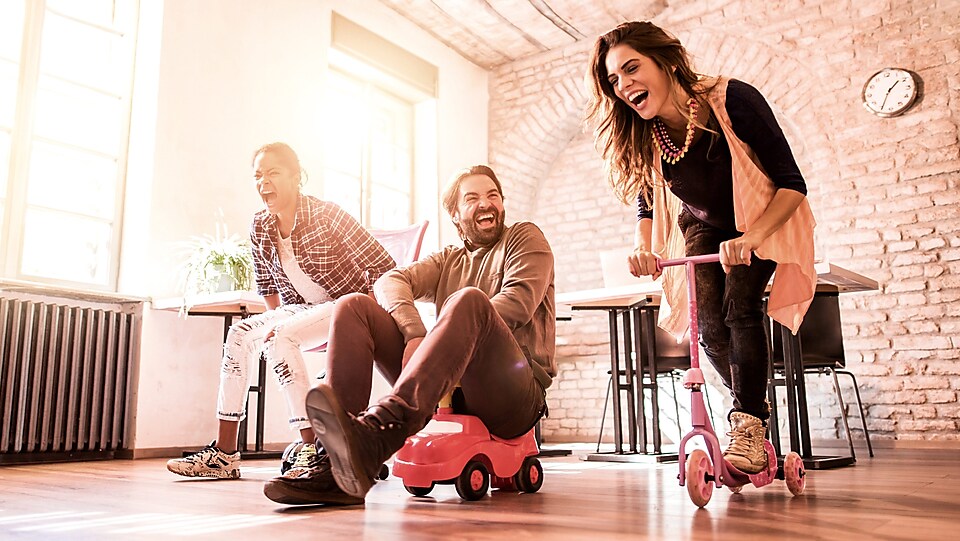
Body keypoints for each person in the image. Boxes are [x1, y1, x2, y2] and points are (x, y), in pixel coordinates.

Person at [586, 21, 816, 473]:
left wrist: (750, 238)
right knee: (708, 325)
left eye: (632, 68)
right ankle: (753, 414)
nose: (624, 84)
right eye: (614, 80)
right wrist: (643, 245)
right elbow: (646, 197)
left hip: (760, 214)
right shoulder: (647, 133)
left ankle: (747, 423)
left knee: (740, 306)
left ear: (666, 61)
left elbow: (793, 185)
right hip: (703, 224)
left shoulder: (734, 99)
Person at [262, 165, 555, 505]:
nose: (485, 204)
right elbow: (389, 280)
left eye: (493, 196)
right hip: (449, 391)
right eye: (472, 198)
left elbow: (517, 304)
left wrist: (441, 333)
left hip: (514, 397)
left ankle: (382, 430)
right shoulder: (449, 258)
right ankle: (336, 469)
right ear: (456, 216)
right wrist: (415, 332)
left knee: (469, 301)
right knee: (353, 306)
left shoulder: (524, 238)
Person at [167, 142, 395, 479]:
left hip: (348, 307)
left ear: (296, 176)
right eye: (258, 176)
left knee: (282, 337)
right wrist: (277, 322)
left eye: (273, 173)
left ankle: (311, 451)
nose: (263, 182)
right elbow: (267, 287)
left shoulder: (327, 215)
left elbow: (384, 266)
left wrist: (368, 321)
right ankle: (225, 454)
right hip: (301, 309)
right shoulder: (260, 226)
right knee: (241, 333)